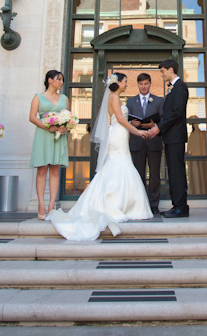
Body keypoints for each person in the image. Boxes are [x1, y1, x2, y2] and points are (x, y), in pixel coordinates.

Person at [49, 73, 151, 240]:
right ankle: (118, 204)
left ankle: (121, 203)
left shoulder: (113, 97)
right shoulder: (115, 98)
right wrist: (138, 131)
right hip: (119, 134)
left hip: (119, 134)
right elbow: (119, 118)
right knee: (120, 164)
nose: (126, 84)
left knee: (117, 165)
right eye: (125, 81)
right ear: (118, 83)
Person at [146, 60, 189, 217]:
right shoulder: (173, 88)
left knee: (177, 172)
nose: (161, 74)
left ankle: (181, 207)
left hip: (176, 137)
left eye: (163, 71)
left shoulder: (180, 87)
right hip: (170, 137)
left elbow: (176, 113)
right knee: (173, 171)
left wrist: (159, 128)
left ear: (171, 70)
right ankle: (177, 205)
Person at [29, 70, 70, 220]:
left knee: (55, 170)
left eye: (62, 79)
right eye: (59, 79)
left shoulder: (64, 98)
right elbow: (32, 117)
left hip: (58, 137)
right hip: (43, 134)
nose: (61, 82)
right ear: (50, 80)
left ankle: (52, 205)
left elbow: (68, 117)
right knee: (42, 169)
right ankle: (41, 204)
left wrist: (65, 127)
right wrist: (47, 127)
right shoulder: (38, 97)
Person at [126, 73, 164, 216]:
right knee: (138, 175)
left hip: (153, 141)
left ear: (150, 84)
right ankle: (140, 204)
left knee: (154, 175)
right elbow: (124, 121)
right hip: (136, 143)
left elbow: (164, 120)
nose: (143, 86)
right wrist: (132, 123)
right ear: (137, 85)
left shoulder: (159, 101)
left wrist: (155, 124)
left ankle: (154, 205)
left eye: (146, 84)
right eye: (141, 84)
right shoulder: (130, 102)